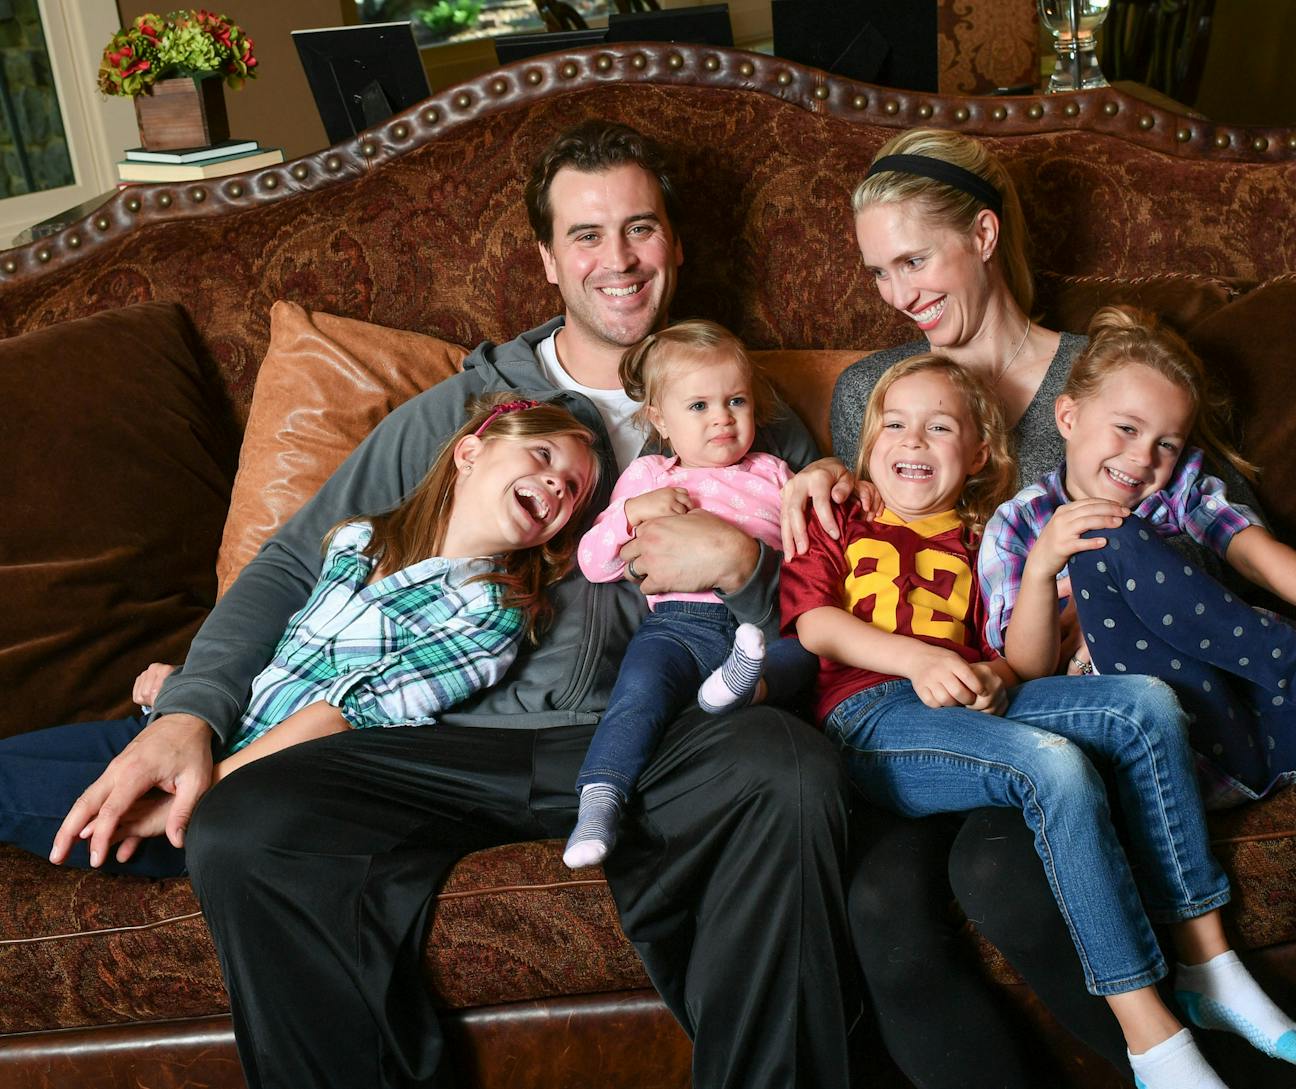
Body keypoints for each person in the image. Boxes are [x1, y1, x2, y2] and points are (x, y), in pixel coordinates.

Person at [49, 121, 855, 1089]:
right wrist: (192, 708)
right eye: (587, 236)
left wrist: (740, 566)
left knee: (793, 773)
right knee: (245, 826)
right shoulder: (468, 410)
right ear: (547, 260)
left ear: (674, 245)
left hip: (650, 737)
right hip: (438, 745)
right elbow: (287, 567)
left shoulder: (740, 407)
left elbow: (816, 631)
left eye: (639, 230)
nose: (619, 261)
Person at [778, 128, 1256, 1085]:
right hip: (917, 708)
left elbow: (1200, 515)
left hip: (1043, 697)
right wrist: (818, 471)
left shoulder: (1101, 379)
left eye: (914, 259)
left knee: (998, 871)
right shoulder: (873, 387)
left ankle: (1192, 1059)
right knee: (880, 909)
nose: (898, 292)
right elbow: (874, 522)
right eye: (878, 271)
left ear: (985, 235)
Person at [783, 354, 1296, 1089]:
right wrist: (915, 660)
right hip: (871, 717)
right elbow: (814, 624)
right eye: (896, 424)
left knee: (1142, 703)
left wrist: (1006, 644)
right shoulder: (841, 514)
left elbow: (1019, 663)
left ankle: (1208, 962)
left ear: (979, 453)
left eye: (939, 426)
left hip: (971, 703)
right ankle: (1152, 1040)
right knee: (1051, 763)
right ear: (866, 441)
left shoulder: (985, 535)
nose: (913, 441)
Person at [2, 394, 599, 878]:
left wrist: (187, 802)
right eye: (543, 457)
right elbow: (286, 656)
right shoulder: (360, 540)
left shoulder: (490, 616)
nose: (555, 487)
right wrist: (187, 697)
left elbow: (344, 715)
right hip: (182, 742)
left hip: (233, 793)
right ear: (470, 452)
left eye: (572, 490)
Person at [981, 304, 1296, 805]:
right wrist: (1043, 566)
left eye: (1166, 443)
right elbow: (1030, 669)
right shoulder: (1017, 523)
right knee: (1101, 538)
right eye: (1127, 428)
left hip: (1253, 736)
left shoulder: (1178, 491)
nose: (1144, 457)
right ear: (1068, 415)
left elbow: (1256, 554)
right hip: (1158, 741)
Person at [563, 319, 816, 868]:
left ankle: (742, 686)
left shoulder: (776, 473)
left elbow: (808, 558)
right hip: (678, 626)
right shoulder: (651, 476)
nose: (722, 417)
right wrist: (631, 513)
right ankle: (600, 801)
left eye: (736, 400)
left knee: (812, 652)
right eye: (698, 406)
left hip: (760, 625)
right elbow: (595, 561)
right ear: (660, 418)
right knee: (638, 694)